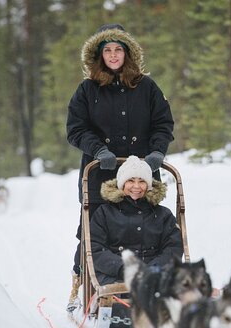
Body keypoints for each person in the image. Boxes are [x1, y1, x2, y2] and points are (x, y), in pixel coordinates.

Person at [66, 24, 174, 303]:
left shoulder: (147, 87)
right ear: (99, 55)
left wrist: (157, 153)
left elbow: (163, 124)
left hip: (142, 173)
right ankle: (85, 284)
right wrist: (98, 150)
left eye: (118, 49)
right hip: (100, 173)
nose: (113, 55)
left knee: (148, 228)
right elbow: (75, 129)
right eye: (107, 50)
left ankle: (151, 282)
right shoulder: (87, 90)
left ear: (128, 53)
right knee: (94, 231)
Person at [89, 155, 183, 288]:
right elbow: (95, 249)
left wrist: (152, 270)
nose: (136, 186)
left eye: (142, 181)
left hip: (156, 275)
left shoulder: (163, 215)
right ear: (122, 184)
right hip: (115, 276)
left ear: (149, 185)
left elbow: (174, 248)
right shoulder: (104, 213)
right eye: (131, 181)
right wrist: (125, 268)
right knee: (119, 305)